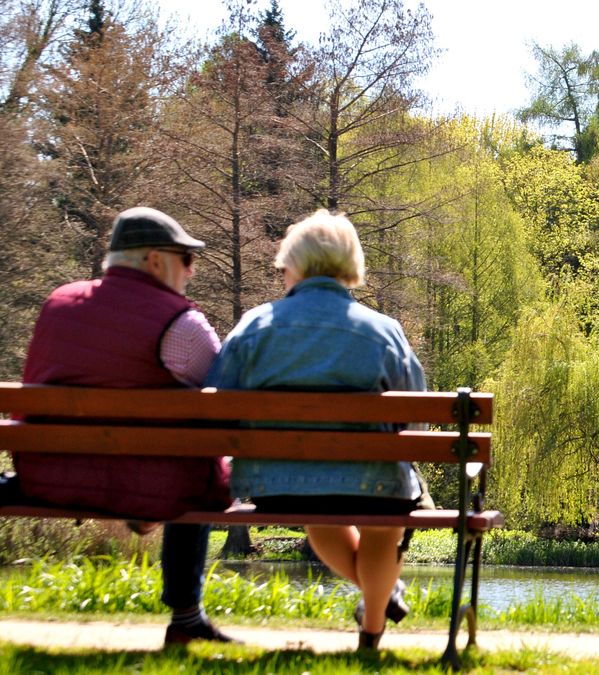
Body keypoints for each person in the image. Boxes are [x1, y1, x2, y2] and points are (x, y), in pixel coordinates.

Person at [205, 209, 430, 651]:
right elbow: (415, 420)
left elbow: (217, 402)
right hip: (374, 484)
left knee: (320, 514)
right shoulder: (383, 331)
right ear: (351, 263)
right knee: (384, 523)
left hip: (277, 485)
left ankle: (379, 597)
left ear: (294, 264)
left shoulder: (254, 325)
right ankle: (373, 625)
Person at [16, 206, 237, 646]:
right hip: (157, 487)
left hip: (49, 478)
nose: (191, 273)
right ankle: (187, 616)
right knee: (198, 466)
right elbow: (223, 400)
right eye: (187, 260)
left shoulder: (58, 304)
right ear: (156, 260)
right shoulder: (182, 325)